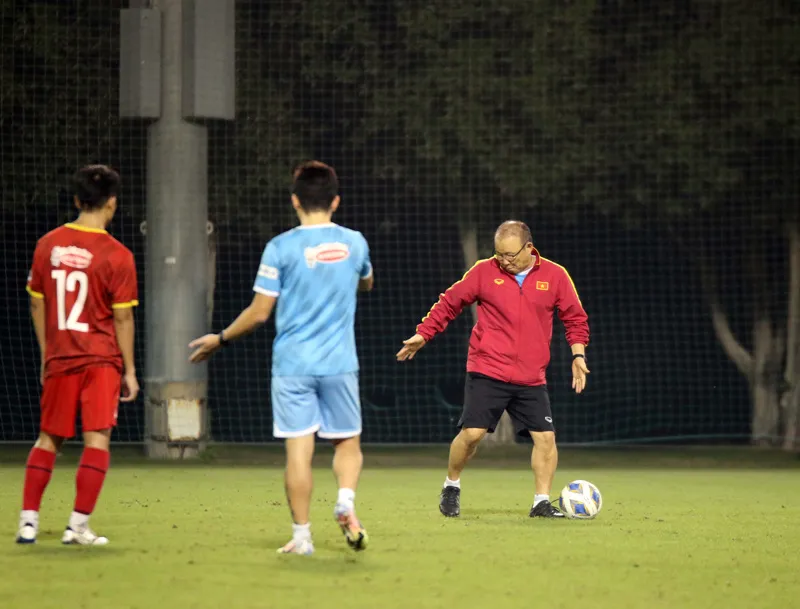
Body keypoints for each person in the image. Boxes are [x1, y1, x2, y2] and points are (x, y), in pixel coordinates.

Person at [189, 161, 374, 555]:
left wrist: (220, 338)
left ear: (295, 201)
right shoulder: (356, 243)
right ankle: (345, 499)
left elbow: (259, 313)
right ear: (336, 201)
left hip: (292, 367)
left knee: (298, 452)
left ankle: (302, 537)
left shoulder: (281, 247)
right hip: (339, 363)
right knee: (347, 443)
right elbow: (367, 280)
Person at [396, 220, 590, 518]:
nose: (504, 261)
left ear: (529, 247)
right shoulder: (484, 271)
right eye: (499, 254)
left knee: (546, 438)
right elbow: (449, 303)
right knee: (472, 434)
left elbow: (575, 318)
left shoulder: (555, 276)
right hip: (487, 369)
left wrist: (578, 355)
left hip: (531, 377)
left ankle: (541, 502)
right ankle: (452, 485)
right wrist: (424, 333)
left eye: (510, 255)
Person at [17, 165, 139, 545]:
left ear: (76, 199)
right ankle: (77, 526)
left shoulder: (47, 245)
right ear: (113, 203)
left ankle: (28, 522)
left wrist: (46, 354)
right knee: (97, 439)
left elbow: (37, 306)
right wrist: (130, 370)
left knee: (47, 438)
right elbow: (122, 318)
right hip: (100, 360)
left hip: (61, 358)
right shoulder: (118, 255)